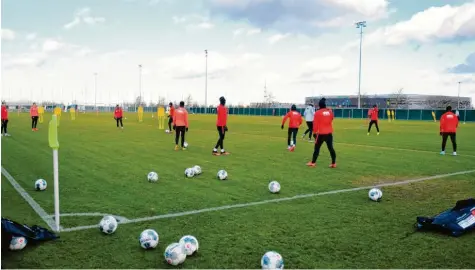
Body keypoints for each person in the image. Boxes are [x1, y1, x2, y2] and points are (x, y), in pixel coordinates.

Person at [307, 98, 337, 168]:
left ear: (319, 105)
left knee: (316, 148)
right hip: (329, 133)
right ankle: (333, 163)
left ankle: (313, 162)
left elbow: (315, 124)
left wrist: (314, 133)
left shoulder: (317, 113)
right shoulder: (329, 111)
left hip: (320, 134)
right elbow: (332, 118)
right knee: (331, 148)